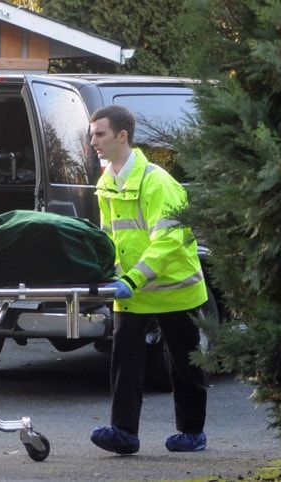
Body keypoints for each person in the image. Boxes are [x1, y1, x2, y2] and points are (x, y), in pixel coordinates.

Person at [89, 105, 209, 453]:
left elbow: (169, 238)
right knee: (124, 364)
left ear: (121, 136)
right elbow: (109, 236)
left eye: (100, 134)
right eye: (92, 134)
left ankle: (192, 432)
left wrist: (133, 278)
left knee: (185, 365)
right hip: (132, 289)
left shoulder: (156, 181)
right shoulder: (106, 181)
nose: (93, 141)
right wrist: (107, 274)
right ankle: (123, 433)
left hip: (175, 289)